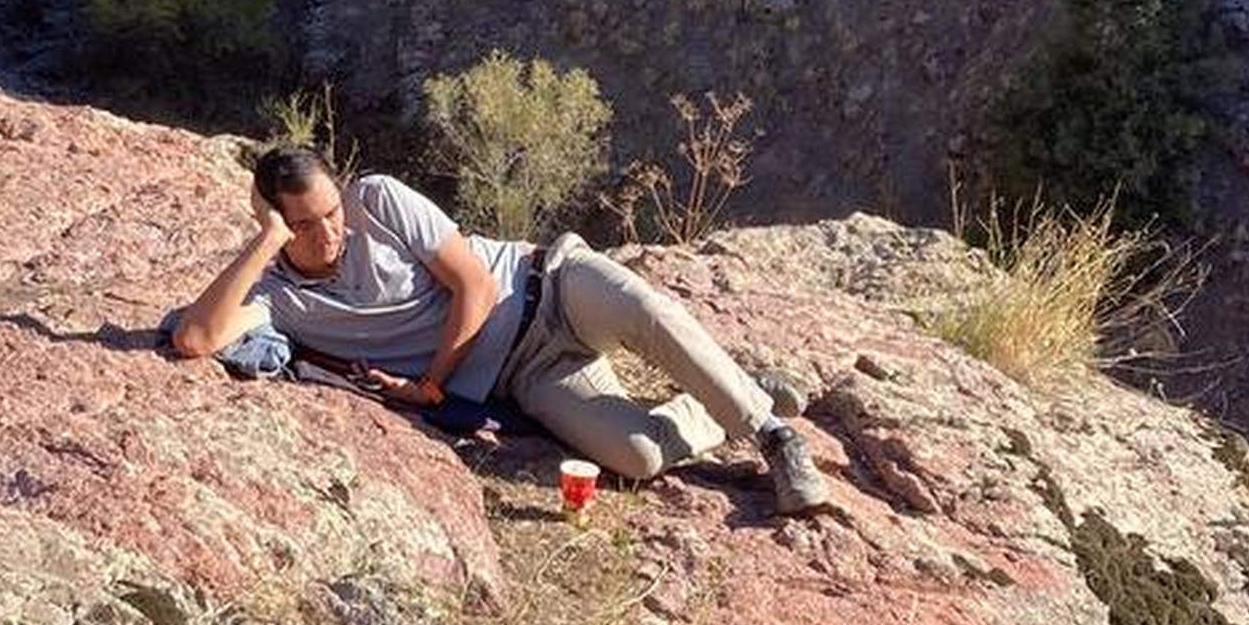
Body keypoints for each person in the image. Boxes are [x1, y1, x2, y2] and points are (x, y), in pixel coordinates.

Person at [167, 145, 837, 516]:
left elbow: (476, 285)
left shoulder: (377, 198)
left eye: (331, 212)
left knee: (652, 314)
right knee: (636, 456)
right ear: (276, 221)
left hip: (551, 289)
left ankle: (773, 437)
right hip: (527, 376)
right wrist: (266, 242)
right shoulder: (279, 297)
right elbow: (196, 340)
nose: (331, 230)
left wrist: (432, 385)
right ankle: (737, 390)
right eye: (305, 223)